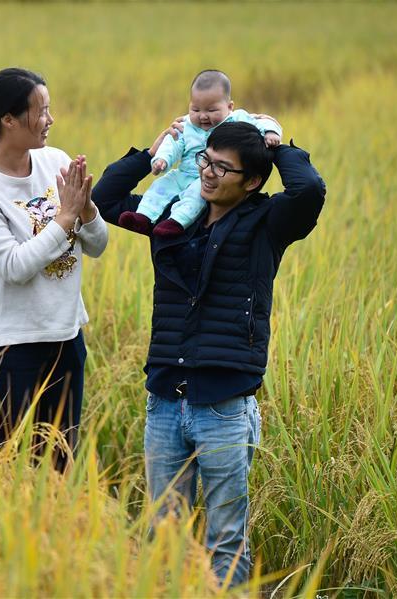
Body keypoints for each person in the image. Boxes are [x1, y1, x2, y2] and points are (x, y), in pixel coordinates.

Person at [92, 120, 325, 586]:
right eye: (206, 160)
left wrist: (274, 147)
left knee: (226, 537)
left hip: (223, 406)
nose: (209, 173)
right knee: (166, 533)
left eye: (224, 167)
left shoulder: (266, 222)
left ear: (253, 181)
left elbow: (310, 190)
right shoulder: (176, 215)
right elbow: (105, 201)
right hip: (164, 400)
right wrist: (153, 153)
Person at [0, 67, 108, 471]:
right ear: (8, 120)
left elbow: (98, 245)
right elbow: (15, 266)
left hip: (65, 336)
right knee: (5, 467)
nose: (50, 120)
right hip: (8, 346)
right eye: (42, 111)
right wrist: (65, 216)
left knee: (59, 463)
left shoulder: (53, 162)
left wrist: (86, 211)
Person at [118, 70, 282, 238]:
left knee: (195, 196)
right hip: (183, 173)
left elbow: (263, 121)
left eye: (212, 110)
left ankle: (177, 221)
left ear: (229, 107)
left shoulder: (237, 119)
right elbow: (173, 143)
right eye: (195, 109)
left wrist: (271, 133)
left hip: (203, 177)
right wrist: (161, 159)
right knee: (161, 186)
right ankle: (143, 216)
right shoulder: (186, 124)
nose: (203, 116)